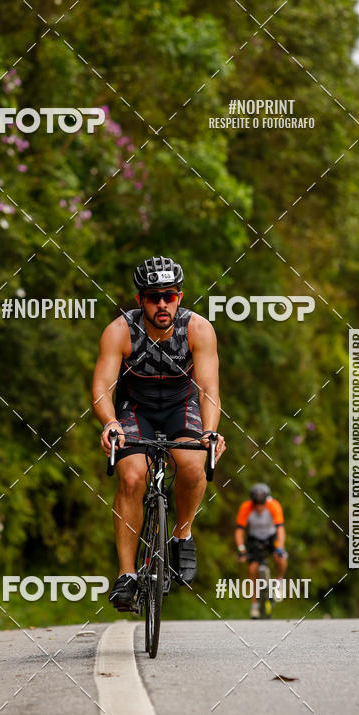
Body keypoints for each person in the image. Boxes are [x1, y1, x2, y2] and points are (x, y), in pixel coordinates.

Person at [92, 255, 226, 611]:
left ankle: (181, 533)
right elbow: (103, 387)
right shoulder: (120, 331)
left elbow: (209, 388)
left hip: (181, 408)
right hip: (135, 410)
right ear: (140, 301)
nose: (162, 303)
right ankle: (126, 575)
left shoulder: (198, 330)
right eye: (154, 297)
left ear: (179, 297)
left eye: (169, 295)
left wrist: (210, 432)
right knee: (133, 477)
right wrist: (110, 422)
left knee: (194, 464)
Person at [235, 482, 288, 618]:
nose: (259, 508)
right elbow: (239, 531)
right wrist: (241, 550)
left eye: (262, 504)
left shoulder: (273, 506)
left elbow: (280, 529)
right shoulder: (246, 507)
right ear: (252, 502)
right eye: (256, 504)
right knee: (252, 569)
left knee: (281, 558)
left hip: (271, 537)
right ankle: (254, 605)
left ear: (266, 501)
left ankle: (279, 581)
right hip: (254, 539)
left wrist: (280, 547)